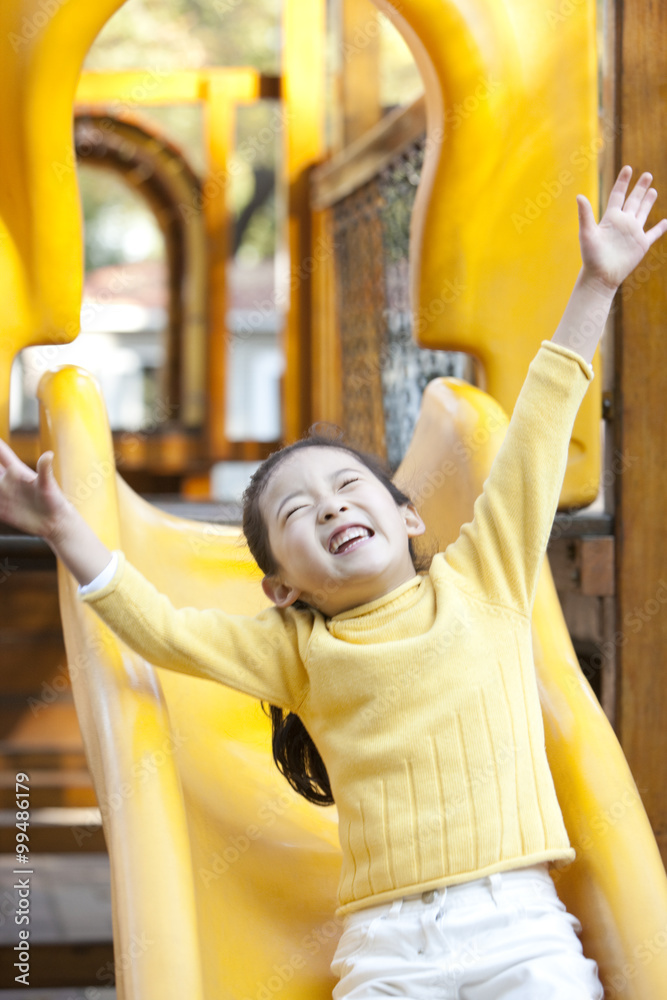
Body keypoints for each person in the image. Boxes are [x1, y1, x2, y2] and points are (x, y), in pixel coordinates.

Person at [1, 166, 665, 998]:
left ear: (409, 516)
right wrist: (66, 528)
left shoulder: (483, 579)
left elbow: (535, 431)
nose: (330, 509)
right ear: (282, 587)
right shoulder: (294, 652)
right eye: (297, 514)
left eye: (350, 489)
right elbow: (163, 629)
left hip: (517, 927)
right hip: (386, 948)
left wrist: (595, 284)